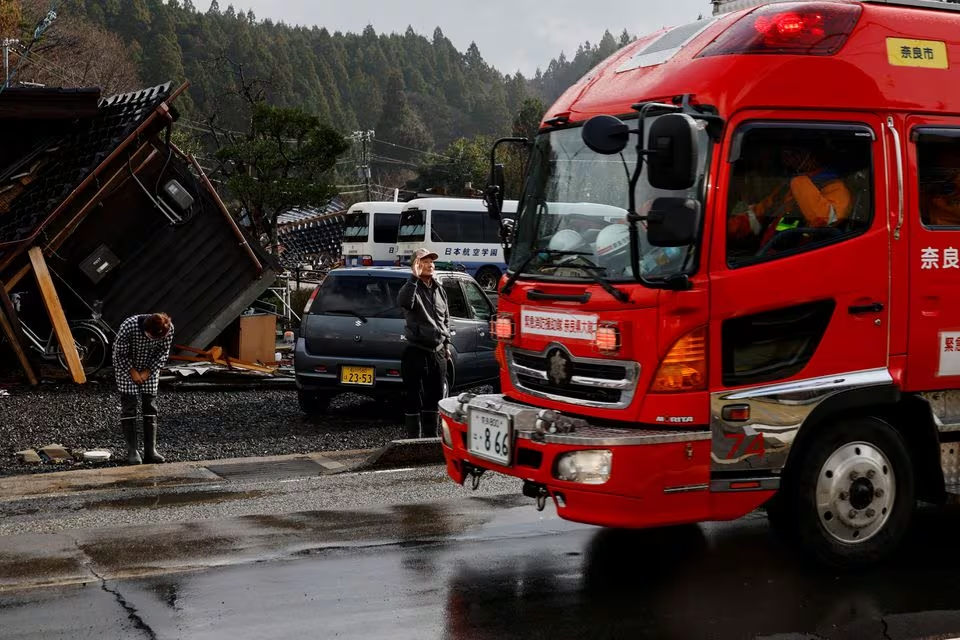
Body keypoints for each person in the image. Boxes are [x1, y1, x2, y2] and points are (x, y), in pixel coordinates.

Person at [728, 146, 853, 251]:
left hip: (801, 261)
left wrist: (799, 182)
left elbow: (824, 221)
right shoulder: (788, 185)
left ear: (810, 155)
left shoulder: (835, 187)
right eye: (786, 155)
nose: (788, 159)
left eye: (794, 154)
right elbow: (757, 215)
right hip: (770, 256)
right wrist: (725, 228)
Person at [397, 248, 451, 439]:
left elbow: (446, 319)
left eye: (431, 261)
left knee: (435, 397)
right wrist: (413, 278)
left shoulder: (439, 289)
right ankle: (414, 441)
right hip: (416, 351)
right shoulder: (410, 288)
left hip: (437, 352)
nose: (429, 265)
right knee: (413, 397)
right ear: (415, 266)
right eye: (424, 262)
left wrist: (446, 345)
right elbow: (404, 302)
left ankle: (430, 439)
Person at [112, 312, 175, 464]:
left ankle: (150, 451)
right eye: (152, 337)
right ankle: (132, 451)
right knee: (129, 406)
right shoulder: (129, 325)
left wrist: (148, 371)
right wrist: (132, 371)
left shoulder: (169, 329)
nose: (155, 340)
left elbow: (162, 353)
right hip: (126, 367)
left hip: (150, 368)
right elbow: (119, 353)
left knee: (150, 405)